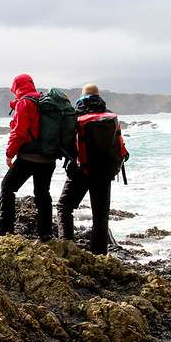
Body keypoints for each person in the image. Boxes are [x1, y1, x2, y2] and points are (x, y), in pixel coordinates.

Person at [56, 84, 128, 255]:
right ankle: (100, 255)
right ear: (98, 96)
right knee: (101, 216)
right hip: (105, 172)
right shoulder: (110, 116)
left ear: (82, 96)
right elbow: (120, 145)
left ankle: (67, 247)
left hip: (80, 171)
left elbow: (67, 144)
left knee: (64, 207)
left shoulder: (76, 114)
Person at [0, 74, 55, 240]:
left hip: (28, 157)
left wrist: (9, 154)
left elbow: (19, 132)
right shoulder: (43, 100)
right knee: (42, 194)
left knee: (7, 187)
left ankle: (4, 228)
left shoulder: (24, 103)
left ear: (17, 88)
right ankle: (46, 233)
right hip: (48, 158)